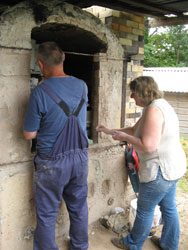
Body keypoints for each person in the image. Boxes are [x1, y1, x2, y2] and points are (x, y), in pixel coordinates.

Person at [96, 76, 187, 250]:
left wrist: (125, 138)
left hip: (161, 171)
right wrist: (109, 130)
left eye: (133, 93)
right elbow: (133, 130)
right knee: (169, 207)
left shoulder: (154, 110)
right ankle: (169, 245)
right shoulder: (158, 106)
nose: (131, 97)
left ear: (143, 93)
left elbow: (148, 146)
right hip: (174, 168)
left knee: (145, 210)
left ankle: (132, 244)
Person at [24, 41, 89, 250]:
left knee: (47, 213)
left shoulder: (40, 93)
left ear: (40, 65)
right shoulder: (82, 86)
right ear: (64, 58)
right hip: (80, 158)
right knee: (79, 208)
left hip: (52, 163)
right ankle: (80, 246)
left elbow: (29, 134)